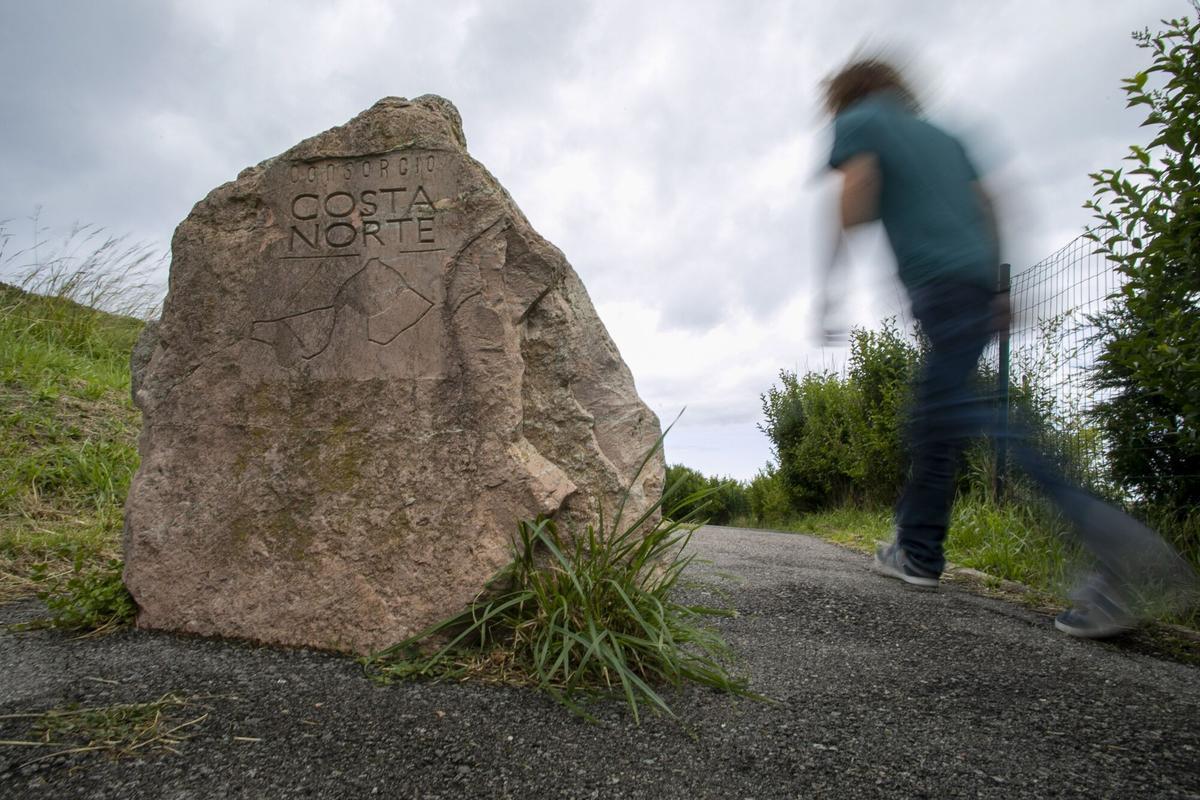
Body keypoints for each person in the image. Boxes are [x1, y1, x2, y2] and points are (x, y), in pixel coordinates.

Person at [818, 57, 1196, 638]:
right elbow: (991, 204)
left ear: (849, 94)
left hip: (937, 288)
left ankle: (1116, 546)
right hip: (975, 284)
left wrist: (831, 284)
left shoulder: (860, 120)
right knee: (937, 414)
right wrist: (1001, 287)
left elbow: (858, 189)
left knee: (971, 412)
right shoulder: (945, 137)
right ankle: (918, 552)